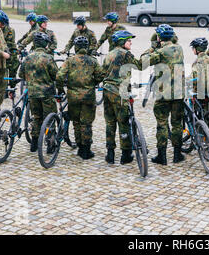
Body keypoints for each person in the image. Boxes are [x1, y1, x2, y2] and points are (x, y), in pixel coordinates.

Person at [141, 24, 185, 165]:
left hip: (163, 94)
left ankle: (162, 156)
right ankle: (177, 154)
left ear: (159, 38)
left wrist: (153, 46)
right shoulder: (179, 48)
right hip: (178, 92)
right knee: (177, 124)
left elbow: (143, 61)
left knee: (162, 124)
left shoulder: (160, 52)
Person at [56, 36, 105, 160]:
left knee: (76, 122)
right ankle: (86, 151)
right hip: (88, 96)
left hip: (73, 96)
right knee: (87, 123)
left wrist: (61, 89)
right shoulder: (92, 61)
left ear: (76, 47)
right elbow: (100, 75)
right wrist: (93, 83)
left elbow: (60, 76)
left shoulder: (70, 60)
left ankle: (79, 147)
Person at [102, 30, 142, 165]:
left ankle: (110, 154)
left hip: (107, 90)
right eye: (128, 40)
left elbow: (103, 72)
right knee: (123, 122)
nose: (130, 42)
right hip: (119, 92)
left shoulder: (109, 54)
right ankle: (126, 154)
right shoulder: (126, 54)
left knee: (110, 122)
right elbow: (140, 65)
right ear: (122, 42)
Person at [19, 32, 58, 152]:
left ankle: (34, 143)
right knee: (49, 118)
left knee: (36, 117)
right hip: (46, 94)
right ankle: (50, 144)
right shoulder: (48, 58)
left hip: (32, 93)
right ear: (45, 44)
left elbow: (21, 74)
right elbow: (56, 75)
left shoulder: (28, 58)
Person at [189, 37, 209, 111]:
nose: (192, 50)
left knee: (191, 96)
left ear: (197, 50)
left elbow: (194, 78)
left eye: (193, 48)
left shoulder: (197, 62)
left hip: (201, 93)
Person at [2, 24, 19, 88]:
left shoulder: (11, 30)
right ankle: (5, 91)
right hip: (3, 54)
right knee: (4, 73)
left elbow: (12, 42)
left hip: (12, 53)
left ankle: (12, 90)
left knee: (13, 73)